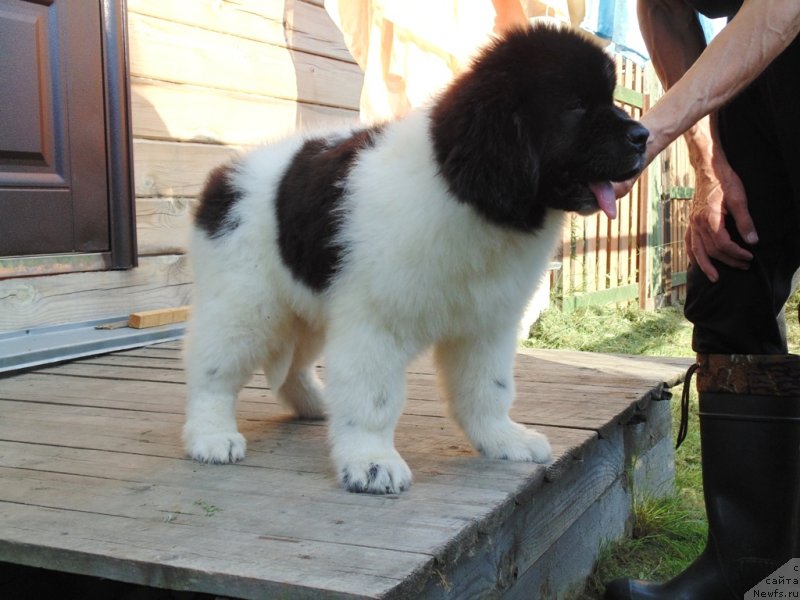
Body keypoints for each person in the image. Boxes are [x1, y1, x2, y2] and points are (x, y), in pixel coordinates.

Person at [605, 1, 800, 598]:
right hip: (760, 65)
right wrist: (710, 164)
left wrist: (650, 132)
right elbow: (661, 7)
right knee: (727, 275)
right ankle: (755, 573)